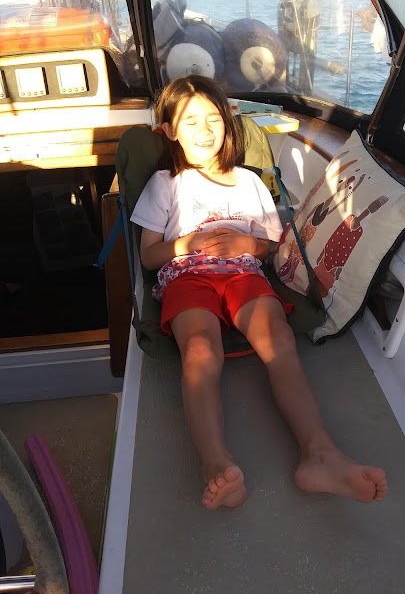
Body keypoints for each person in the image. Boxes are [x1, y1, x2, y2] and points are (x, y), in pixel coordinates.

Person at [131, 75, 388, 510]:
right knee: (200, 350)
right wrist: (189, 243)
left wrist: (245, 244)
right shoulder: (166, 183)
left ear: (228, 122)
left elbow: (268, 247)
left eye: (213, 118)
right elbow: (149, 256)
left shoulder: (248, 182)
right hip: (187, 277)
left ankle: (320, 455)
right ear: (170, 130)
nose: (204, 130)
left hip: (243, 273)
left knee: (279, 339)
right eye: (190, 121)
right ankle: (215, 461)